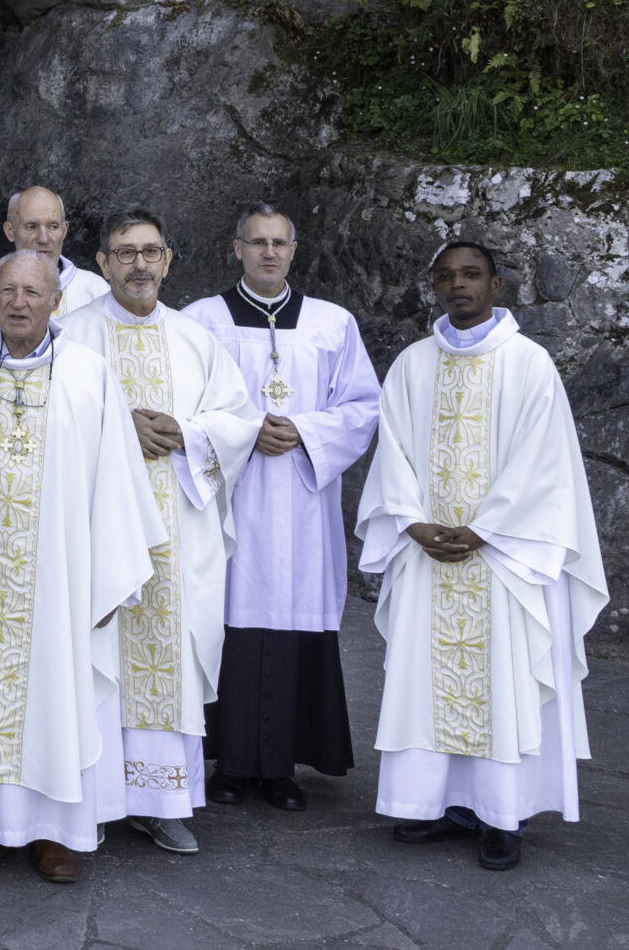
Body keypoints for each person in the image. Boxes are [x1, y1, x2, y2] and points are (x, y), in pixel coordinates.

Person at [358, 242, 607, 870]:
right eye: (445, 276)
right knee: (427, 681)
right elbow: (393, 450)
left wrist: (485, 530)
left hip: (502, 558)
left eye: (470, 275)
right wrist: (412, 522)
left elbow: (544, 463)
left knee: (504, 680)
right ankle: (436, 804)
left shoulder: (529, 364)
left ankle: (503, 815)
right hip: (428, 553)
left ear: (496, 284)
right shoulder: (413, 364)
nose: (457, 285)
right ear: (433, 287)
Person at [0, 252, 162, 884]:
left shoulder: (88, 373)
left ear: (56, 301)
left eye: (33, 292)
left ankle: (58, 835)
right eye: (7, 290)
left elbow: (115, 477)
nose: (19, 302)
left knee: (59, 694)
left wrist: (110, 572)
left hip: (61, 574)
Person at [59, 211, 258, 856]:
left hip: (179, 532)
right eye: (125, 254)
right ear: (102, 262)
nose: (138, 265)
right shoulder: (71, 337)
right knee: (92, 661)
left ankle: (161, 802)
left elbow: (237, 420)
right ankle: (87, 802)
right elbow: (49, 425)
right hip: (94, 530)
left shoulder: (196, 340)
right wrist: (121, 428)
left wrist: (185, 432)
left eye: (150, 253)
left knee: (168, 655)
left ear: (169, 261)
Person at [184, 203, 379, 809]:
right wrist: (239, 433)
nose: (269, 252)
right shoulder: (200, 322)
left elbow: (362, 408)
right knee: (228, 616)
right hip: (230, 501)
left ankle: (281, 769)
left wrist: (303, 431)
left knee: (296, 616)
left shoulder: (332, 324)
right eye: (257, 242)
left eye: (279, 243)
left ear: (295, 251)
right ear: (236, 248)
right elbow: (182, 408)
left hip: (301, 501)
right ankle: (232, 766)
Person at [0, 187, 107, 318]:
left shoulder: (96, 290)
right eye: (31, 227)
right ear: (10, 231)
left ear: (64, 230)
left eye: (53, 227)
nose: (43, 238)